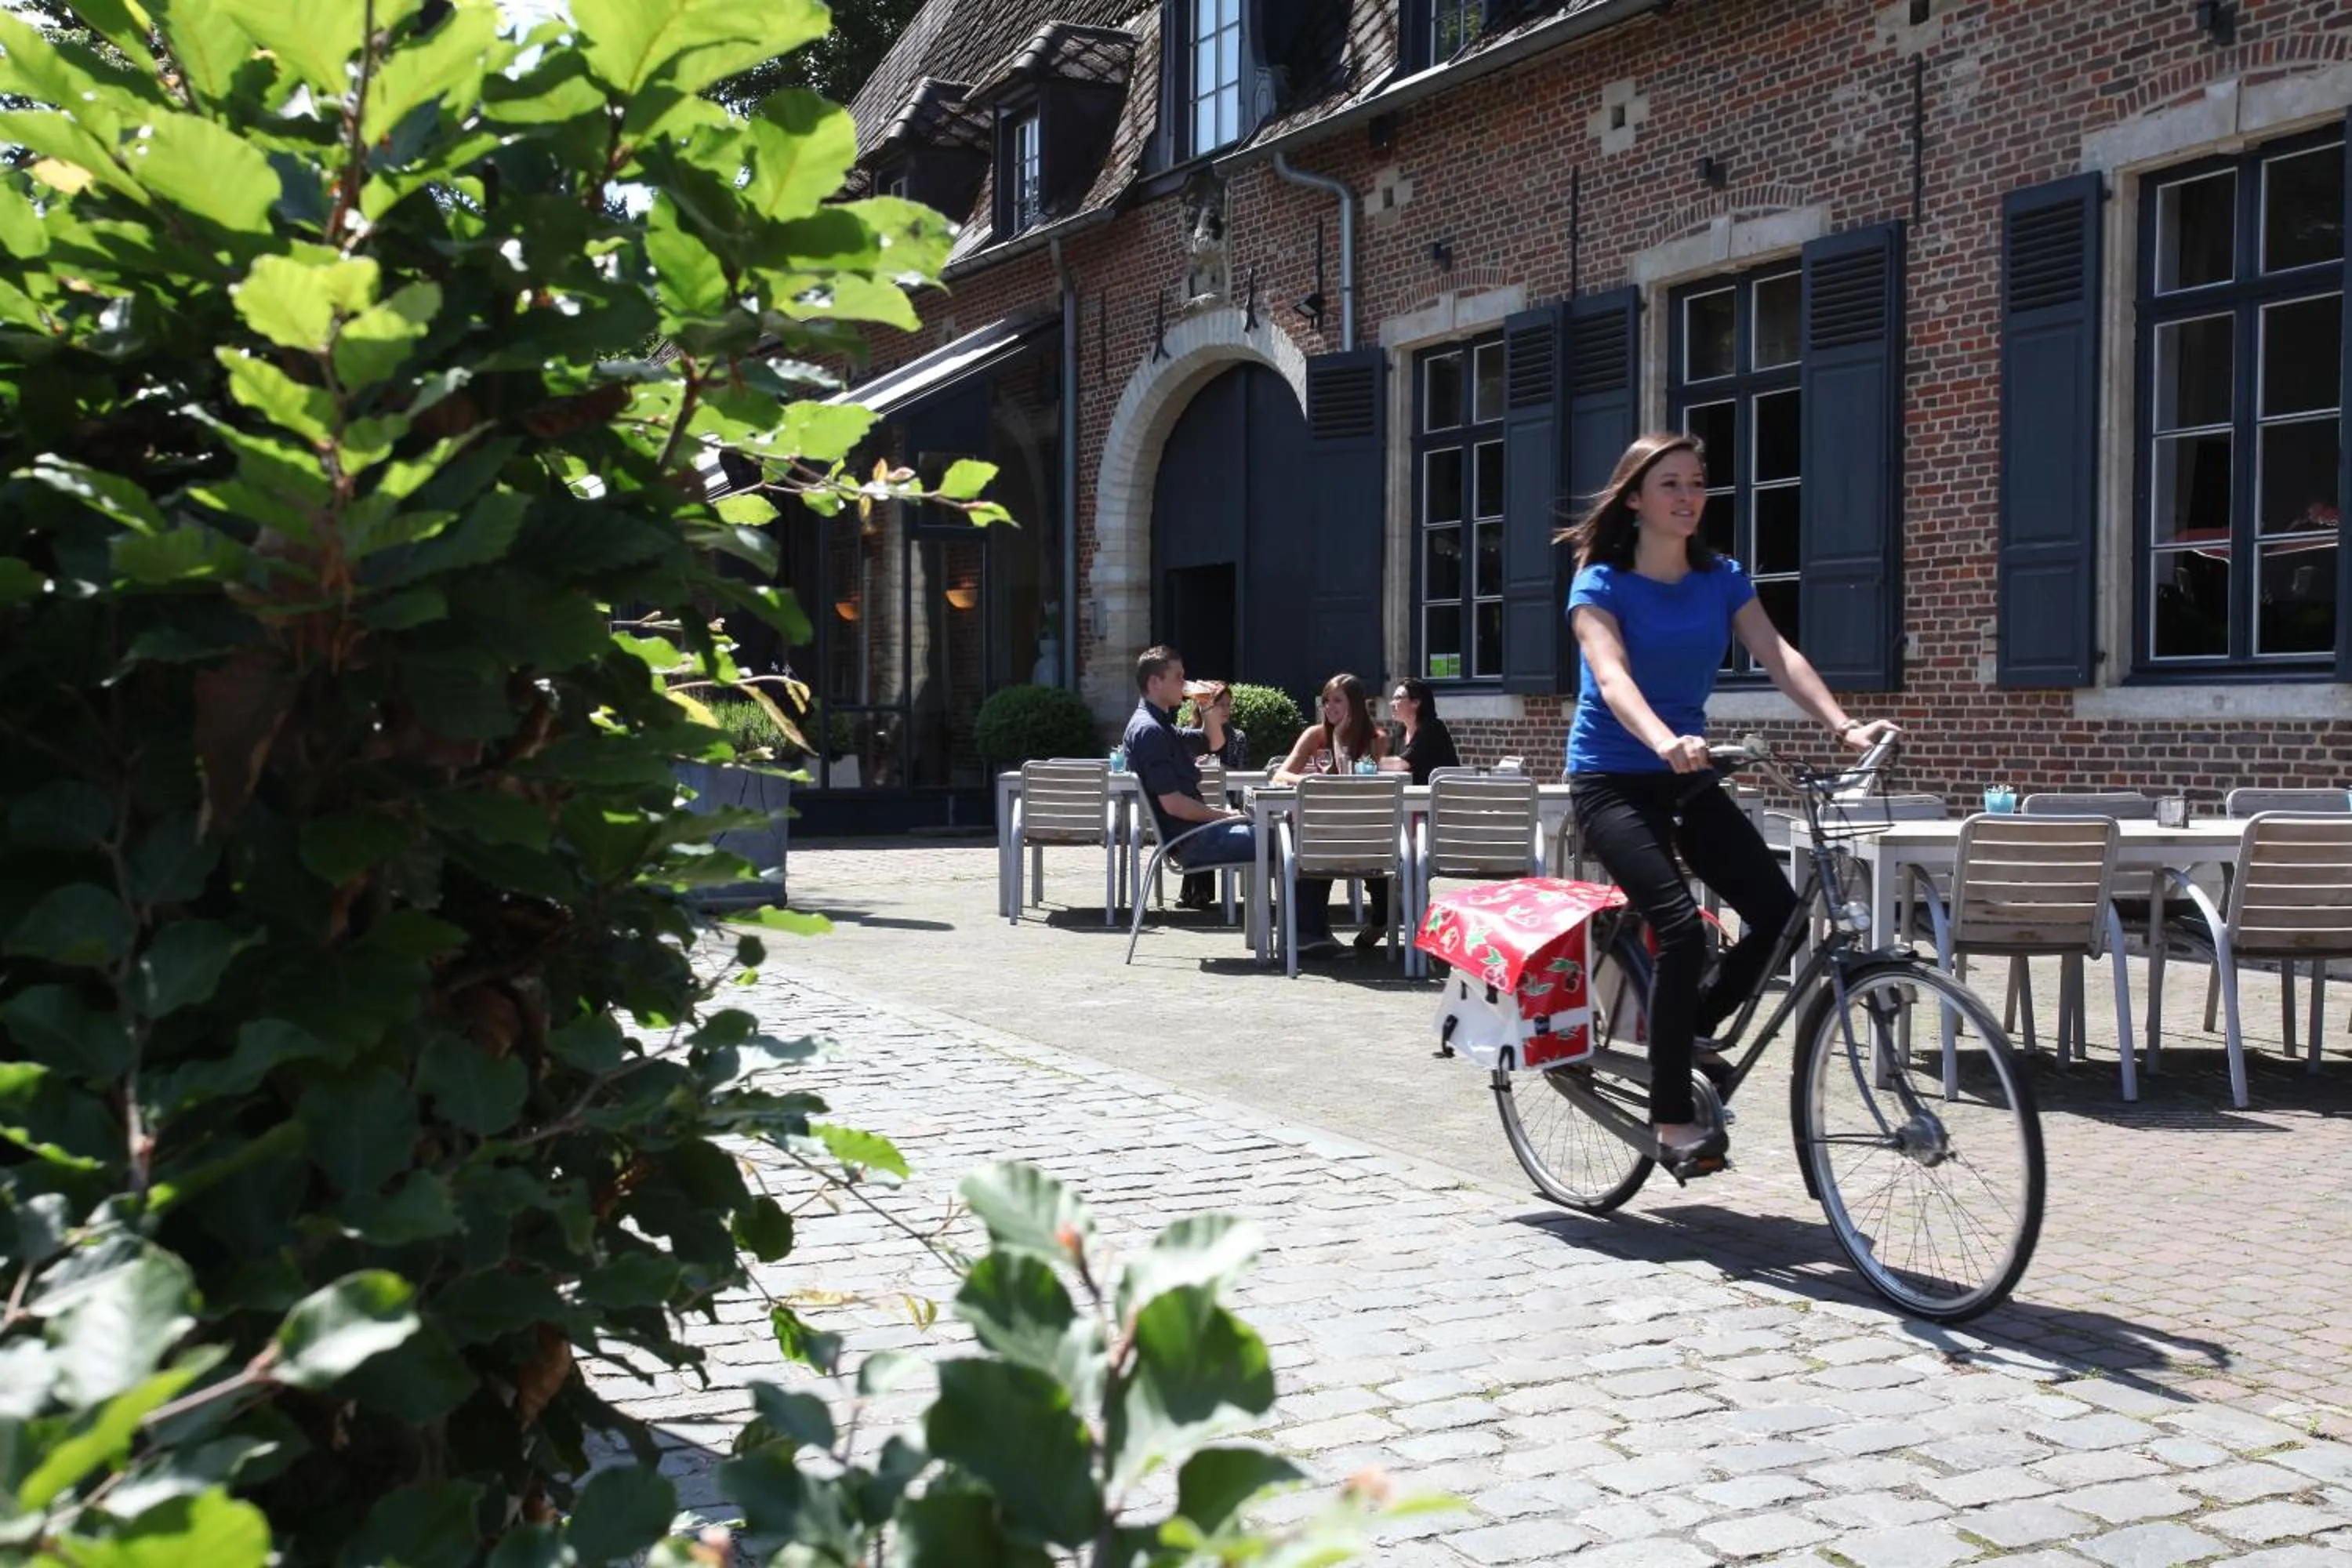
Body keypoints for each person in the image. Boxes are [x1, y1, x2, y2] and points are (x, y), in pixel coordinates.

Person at [1563, 432, 1897, 1181]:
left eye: (1697, 483)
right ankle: (1671, 1110)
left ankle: (1692, 1026)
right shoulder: (1600, 586)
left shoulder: (1720, 578)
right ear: (1634, 499)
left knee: (1782, 916)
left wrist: (1843, 726)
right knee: (1680, 929)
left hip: (1687, 776)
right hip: (1613, 779)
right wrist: (1662, 738)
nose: (1687, 497)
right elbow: (1613, 681)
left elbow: (1779, 654)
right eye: (1670, 484)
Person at [1272, 673, 1393, 956]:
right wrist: (1309, 782)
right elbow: (1281, 775)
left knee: (1379, 843)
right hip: (1323, 830)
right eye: (1327, 701)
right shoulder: (1315, 735)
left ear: (1355, 704)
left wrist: (1339, 740)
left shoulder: (1376, 739)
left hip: (1362, 828)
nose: (1330, 707)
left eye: (1338, 701)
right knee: (1316, 839)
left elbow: (1357, 779)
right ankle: (1310, 932)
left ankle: (1382, 919)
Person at [1123, 647, 1254, 896]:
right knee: (1287, 842)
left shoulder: (1161, 725)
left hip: (1194, 835)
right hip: (1191, 841)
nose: (1185, 684)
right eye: (1178, 677)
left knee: (1287, 837)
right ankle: (1301, 927)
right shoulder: (1149, 730)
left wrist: (1206, 706)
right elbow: (1173, 804)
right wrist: (1223, 816)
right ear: (1155, 682)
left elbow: (1214, 743)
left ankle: (1293, 924)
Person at [1381, 678, 1461, 785]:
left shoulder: (1432, 729)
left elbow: (1402, 764)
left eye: (1398, 698)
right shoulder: (1401, 730)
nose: (1392, 703)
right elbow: (1387, 759)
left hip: (1441, 797)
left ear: (1416, 702)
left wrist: (1367, 763)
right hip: (1413, 795)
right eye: (1393, 698)